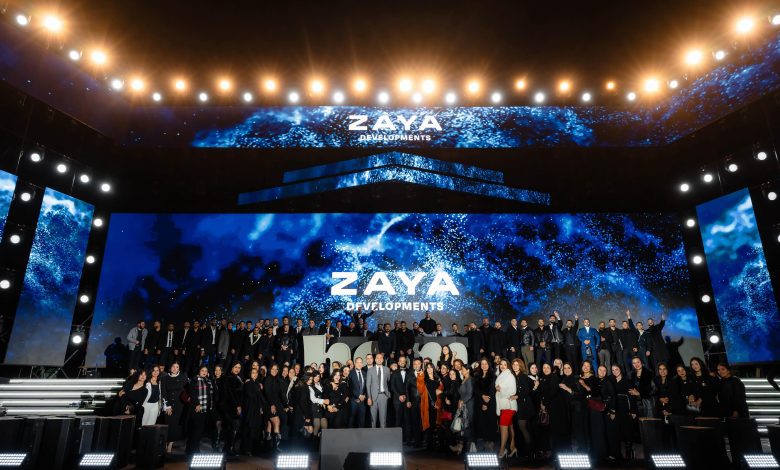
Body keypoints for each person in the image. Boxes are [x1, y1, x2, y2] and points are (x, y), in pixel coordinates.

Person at [538, 362, 569, 452]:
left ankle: (558, 451)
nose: (546, 369)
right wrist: (542, 403)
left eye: (548, 367)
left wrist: (544, 403)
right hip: (549, 406)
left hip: (555, 407)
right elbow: (541, 393)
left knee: (556, 429)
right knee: (550, 430)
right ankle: (553, 450)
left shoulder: (553, 377)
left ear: (551, 369)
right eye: (544, 367)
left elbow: (553, 392)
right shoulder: (543, 378)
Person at [509, 358, 534, 460]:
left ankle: (530, 451)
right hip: (518, 405)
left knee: (523, 428)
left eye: (517, 365)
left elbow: (527, 390)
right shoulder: (513, 376)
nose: (515, 366)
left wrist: (517, 396)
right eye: (513, 365)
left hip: (524, 406)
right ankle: (525, 451)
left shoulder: (523, 376)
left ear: (520, 366)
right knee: (520, 429)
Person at [161, 362, 188, 453]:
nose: (174, 368)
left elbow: (188, 389)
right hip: (168, 405)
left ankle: (170, 445)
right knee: (167, 424)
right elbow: (163, 392)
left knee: (175, 426)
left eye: (177, 367)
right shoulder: (164, 378)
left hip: (179, 405)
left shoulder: (183, 378)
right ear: (170, 368)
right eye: (173, 366)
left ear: (179, 369)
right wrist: (167, 405)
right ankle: (165, 444)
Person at [187, 366, 215, 454]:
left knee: (199, 431)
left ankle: (192, 448)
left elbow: (210, 394)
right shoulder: (194, 380)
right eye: (202, 370)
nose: (204, 372)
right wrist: (197, 404)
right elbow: (192, 393)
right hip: (197, 408)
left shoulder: (208, 381)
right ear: (199, 371)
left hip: (205, 409)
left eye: (206, 371)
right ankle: (193, 450)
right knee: (196, 430)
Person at [560, 362, 587, 452]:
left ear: (572, 369)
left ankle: (583, 450)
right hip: (568, 409)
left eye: (569, 368)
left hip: (577, 409)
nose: (567, 370)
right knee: (572, 431)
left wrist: (567, 389)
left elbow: (581, 395)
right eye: (565, 368)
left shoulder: (577, 378)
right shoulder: (564, 379)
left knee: (579, 430)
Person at [240, 367, 266, 455]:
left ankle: (253, 449)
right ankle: (247, 449)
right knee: (249, 428)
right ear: (250, 374)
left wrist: (261, 407)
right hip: (249, 408)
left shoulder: (257, 384)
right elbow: (250, 395)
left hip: (256, 408)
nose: (255, 374)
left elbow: (259, 397)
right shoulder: (248, 383)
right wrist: (258, 389)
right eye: (253, 373)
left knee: (255, 428)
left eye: (256, 373)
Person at [495, 359, 517, 458]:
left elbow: (513, 391)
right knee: (509, 427)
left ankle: (502, 450)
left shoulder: (510, 376)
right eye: (501, 364)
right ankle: (513, 448)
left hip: (508, 405)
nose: (502, 366)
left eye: (505, 364)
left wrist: (501, 389)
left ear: (508, 366)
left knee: (503, 427)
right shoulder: (500, 376)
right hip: (503, 405)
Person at [474, 358, 498, 448]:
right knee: (483, 422)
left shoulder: (493, 376)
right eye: (482, 364)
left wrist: (486, 403)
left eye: (486, 364)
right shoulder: (477, 376)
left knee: (490, 421)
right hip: (480, 401)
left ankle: (491, 442)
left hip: (490, 402)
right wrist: (482, 396)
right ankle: (486, 441)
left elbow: (492, 391)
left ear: (489, 365)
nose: (484, 366)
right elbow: (475, 389)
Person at [221, 362, 243, 455]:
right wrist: (237, 405)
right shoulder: (229, 378)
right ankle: (228, 448)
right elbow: (230, 393)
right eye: (235, 367)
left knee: (234, 427)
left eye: (239, 367)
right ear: (231, 368)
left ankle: (230, 447)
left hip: (235, 406)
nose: (237, 369)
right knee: (232, 427)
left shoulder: (238, 377)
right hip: (231, 407)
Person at [263, 363, 287, 447]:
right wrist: (272, 404)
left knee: (270, 425)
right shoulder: (268, 379)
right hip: (270, 404)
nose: (274, 371)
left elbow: (280, 394)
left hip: (276, 404)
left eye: (276, 369)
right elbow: (267, 392)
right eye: (273, 369)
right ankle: (276, 447)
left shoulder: (277, 379)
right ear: (270, 370)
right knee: (276, 421)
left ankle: (269, 446)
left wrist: (286, 404)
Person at [390, 356, 412, 442]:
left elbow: (411, 386)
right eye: (401, 361)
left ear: (405, 362)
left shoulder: (410, 372)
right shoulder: (394, 372)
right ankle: (397, 440)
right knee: (398, 420)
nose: (402, 362)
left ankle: (408, 440)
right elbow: (392, 386)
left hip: (407, 399)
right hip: (397, 400)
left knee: (407, 420)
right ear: (398, 363)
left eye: (404, 361)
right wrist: (399, 396)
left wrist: (406, 396)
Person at [366, 352, 391, 428]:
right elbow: (368, 385)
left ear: (383, 360)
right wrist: (369, 397)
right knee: (373, 419)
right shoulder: (370, 370)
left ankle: (383, 434)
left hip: (383, 396)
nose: (379, 359)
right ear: (375, 360)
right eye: (377, 358)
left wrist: (388, 394)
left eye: (381, 358)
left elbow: (389, 382)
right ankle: (373, 433)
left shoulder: (387, 369)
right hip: (373, 397)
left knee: (383, 418)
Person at [457, 365, 476, 452]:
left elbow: (470, 394)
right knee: (464, 425)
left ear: (468, 370)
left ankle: (472, 446)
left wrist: (462, 401)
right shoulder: (464, 379)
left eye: (463, 369)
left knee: (469, 424)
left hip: (469, 405)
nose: (461, 371)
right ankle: (465, 446)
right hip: (464, 404)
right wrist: (460, 400)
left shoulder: (470, 379)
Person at [348, 357, 367, 428]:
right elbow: (350, 387)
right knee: (351, 420)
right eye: (357, 362)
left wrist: (364, 396)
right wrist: (358, 396)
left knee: (362, 421)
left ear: (362, 364)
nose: (359, 364)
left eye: (360, 362)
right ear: (355, 364)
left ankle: (361, 434)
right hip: (353, 401)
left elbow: (367, 386)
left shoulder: (365, 373)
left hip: (363, 401)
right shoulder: (351, 373)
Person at [309, 372, 328, 437]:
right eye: (315, 376)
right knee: (317, 425)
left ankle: (322, 441)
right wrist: (323, 401)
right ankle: (314, 440)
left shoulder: (321, 385)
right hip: (314, 408)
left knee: (325, 426)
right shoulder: (310, 386)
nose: (317, 378)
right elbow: (313, 399)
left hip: (322, 408)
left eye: (318, 376)